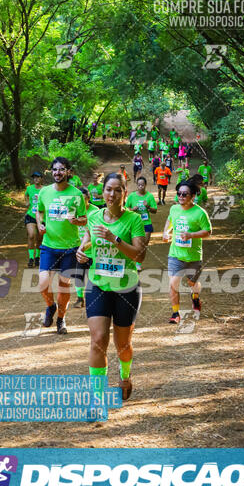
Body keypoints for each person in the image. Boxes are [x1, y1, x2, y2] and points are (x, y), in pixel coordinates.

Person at [76, 172, 146, 401]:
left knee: (123, 344)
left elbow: (140, 256)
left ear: (125, 194)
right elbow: (86, 242)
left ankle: (125, 375)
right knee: (97, 341)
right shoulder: (94, 216)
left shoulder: (134, 220)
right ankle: (97, 396)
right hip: (98, 285)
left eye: (118, 190)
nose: (112, 194)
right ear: (103, 191)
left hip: (126, 289)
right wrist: (81, 252)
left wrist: (113, 238)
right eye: (108, 189)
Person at [36, 156, 87, 335]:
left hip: (69, 248)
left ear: (69, 172)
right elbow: (39, 211)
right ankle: (51, 307)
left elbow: (84, 219)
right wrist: (39, 224)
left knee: (64, 284)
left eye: (61, 169)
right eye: (55, 169)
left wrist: (77, 221)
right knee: (43, 283)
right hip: (49, 245)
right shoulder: (44, 192)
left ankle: (61, 319)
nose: (58, 172)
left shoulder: (76, 194)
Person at [163, 180, 212, 324]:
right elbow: (169, 220)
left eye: (185, 194)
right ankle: (175, 313)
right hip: (175, 255)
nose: (181, 196)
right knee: (173, 284)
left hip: (193, 256)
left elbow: (208, 231)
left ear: (193, 196)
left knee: (192, 283)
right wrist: (166, 232)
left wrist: (191, 235)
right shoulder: (174, 209)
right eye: (179, 194)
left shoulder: (200, 213)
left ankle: (195, 297)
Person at [73, 187, 99, 308]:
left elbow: (96, 234)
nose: (81, 202)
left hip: (92, 249)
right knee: (78, 275)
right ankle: (80, 298)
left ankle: (95, 298)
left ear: (88, 198)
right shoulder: (73, 211)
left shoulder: (95, 212)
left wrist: (86, 246)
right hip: (78, 248)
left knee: (94, 275)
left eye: (84, 199)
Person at [125, 176, 157, 270]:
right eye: (139, 185)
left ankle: (138, 263)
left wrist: (148, 207)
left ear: (145, 185)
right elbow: (125, 210)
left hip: (146, 223)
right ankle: (131, 261)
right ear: (137, 185)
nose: (140, 187)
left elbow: (154, 210)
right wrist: (132, 209)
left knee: (144, 244)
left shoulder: (149, 196)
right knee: (132, 244)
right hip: (134, 223)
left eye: (142, 185)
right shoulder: (132, 196)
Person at [24, 171, 44, 267]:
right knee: (31, 235)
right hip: (31, 215)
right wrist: (27, 202)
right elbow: (26, 195)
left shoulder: (45, 190)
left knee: (40, 239)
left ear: (41, 179)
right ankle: (31, 258)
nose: (36, 179)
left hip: (42, 217)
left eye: (38, 177)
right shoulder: (29, 188)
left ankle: (38, 257)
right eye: (34, 177)